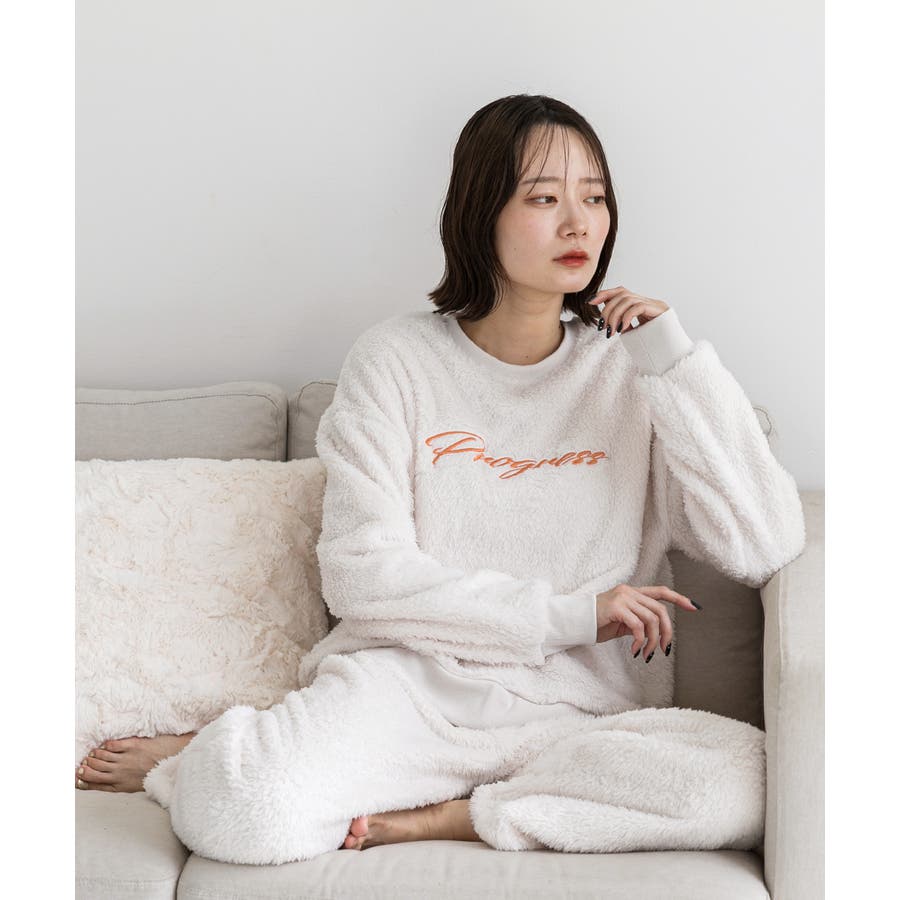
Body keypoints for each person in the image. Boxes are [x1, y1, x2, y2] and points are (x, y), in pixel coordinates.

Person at [75, 94, 805, 863]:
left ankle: (464, 814)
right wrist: (573, 616)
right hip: (409, 698)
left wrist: (672, 360)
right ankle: (207, 754)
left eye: (594, 198)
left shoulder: (634, 372)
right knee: (241, 806)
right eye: (544, 199)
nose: (578, 224)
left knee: (750, 781)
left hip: (574, 725)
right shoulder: (396, 361)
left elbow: (763, 544)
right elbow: (363, 574)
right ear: (480, 213)